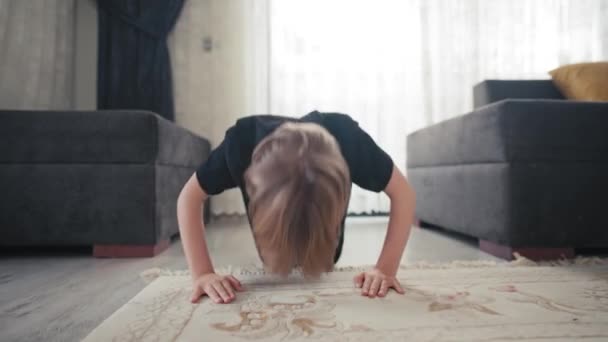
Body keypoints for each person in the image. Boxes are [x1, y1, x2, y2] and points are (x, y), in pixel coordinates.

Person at [177, 110, 415, 304]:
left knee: (317, 264)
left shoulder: (349, 140)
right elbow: (189, 198)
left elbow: (403, 194)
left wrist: (386, 269)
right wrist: (202, 273)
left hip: (327, 250)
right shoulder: (241, 143)